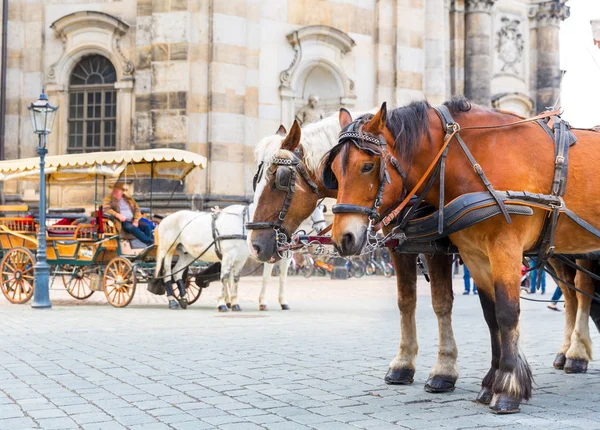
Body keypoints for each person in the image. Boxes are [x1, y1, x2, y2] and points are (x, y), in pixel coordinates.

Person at [102, 182, 154, 247]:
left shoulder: (129, 199)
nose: (115, 192)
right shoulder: (109, 199)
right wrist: (117, 215)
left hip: (133, 220)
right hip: (122, 222)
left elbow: (137, 209)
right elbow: (106, 209)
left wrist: (136, 220)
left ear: (122, 191)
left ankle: (150, 246)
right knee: (132, 228)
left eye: (117, 190)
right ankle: (151, 242)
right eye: (114, 190)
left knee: (147, 227)